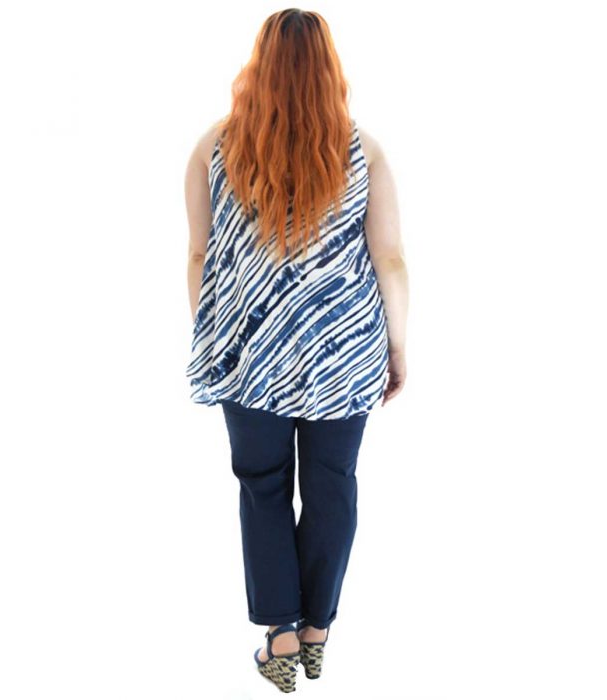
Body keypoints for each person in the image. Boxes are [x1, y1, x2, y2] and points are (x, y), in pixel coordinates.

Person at [184, 9, 408, 692]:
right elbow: (390, 258)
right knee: (333, 484)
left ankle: (280, 636)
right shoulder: (363, 151)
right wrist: (397, 347)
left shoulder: (213, 148)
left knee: (263, 487)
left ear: (259, 66)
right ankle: (317, 633)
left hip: (249, 355)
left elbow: (199, 258)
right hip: (344, 355)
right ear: (327, 69)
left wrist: (215, 340)